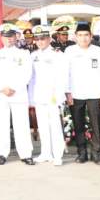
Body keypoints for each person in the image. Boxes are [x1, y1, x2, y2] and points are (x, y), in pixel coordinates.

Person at [0, 24, 34, 166]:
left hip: (19, 94)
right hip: (1, 94)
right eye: (6, 36)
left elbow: (27, 74)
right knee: (2, 124)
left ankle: (26, 154)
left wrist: (14, 88)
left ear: (16, 37)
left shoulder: (24, 54)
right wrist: (3, 88)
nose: (8, 39)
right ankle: (1, 153)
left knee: (22, 124)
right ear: (1, 38)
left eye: (11, 36)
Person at [65, 22, 100, 165]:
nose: (83, 38)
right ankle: (81, 153)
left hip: (95, 93)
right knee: (78, 125)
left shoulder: (98, 51)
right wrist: (68, 93)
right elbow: (66, 74)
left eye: (86, 35)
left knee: (96, 125)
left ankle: (96, 153)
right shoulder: (70, 51)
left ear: (91, 36)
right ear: (75, 37)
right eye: (80, 35)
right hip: (76, 94)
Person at [29, 25, 69, 166]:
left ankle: (57, 155)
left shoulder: (57, 54)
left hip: (53, 95)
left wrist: (59, 95)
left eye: (43, 38)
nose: (40, 41)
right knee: (43, 126)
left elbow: (63, 77)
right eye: (37, 39)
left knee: (55, 126)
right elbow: (32, 79)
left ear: (48, 39)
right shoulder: (33, 56)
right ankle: (45, 153)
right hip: (39, 95)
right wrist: (31, 98)